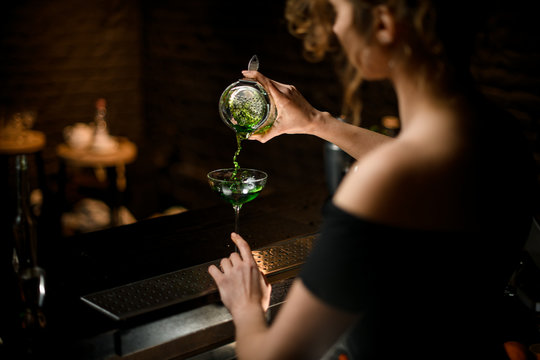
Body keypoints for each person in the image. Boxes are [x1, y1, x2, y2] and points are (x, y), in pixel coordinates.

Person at [208, 0, 539, 359]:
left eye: (339, 11)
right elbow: (416, 164)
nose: (335, 28)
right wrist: (317, 122)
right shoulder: (502, 135)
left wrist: (247, 308)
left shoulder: (382, 182)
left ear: (383, 23)